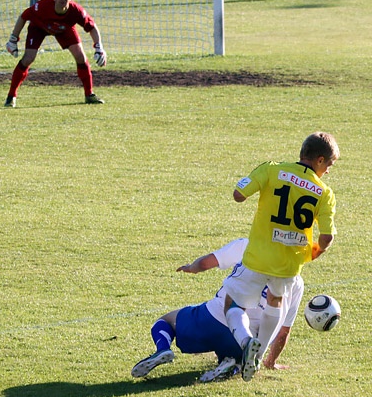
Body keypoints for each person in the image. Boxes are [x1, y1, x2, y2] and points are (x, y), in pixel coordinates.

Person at [223, 132, 339, 383]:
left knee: (232, 303)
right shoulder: (324, 193)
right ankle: (258, 357)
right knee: (275, 302)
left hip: (257, 257)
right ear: (319, 160)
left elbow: (238, 194)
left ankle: (246, 343)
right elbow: (327, 238)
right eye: (329, 165)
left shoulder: (272, 170)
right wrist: (311, 254)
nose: (328, 171)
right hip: (289, 265)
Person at [131, 238, 304, 382]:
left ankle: (163, 349)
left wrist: (192, 267)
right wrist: (271, 361)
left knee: (166, 320)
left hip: (213, 317)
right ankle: (233, 365)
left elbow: (207, 263)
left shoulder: (248, 245)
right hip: (244, 339)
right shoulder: (296, 282)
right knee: (242, 351)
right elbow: (283, 331)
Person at [4, 0, 106, 107]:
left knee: (80, 57)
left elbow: (92, 27)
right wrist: (13, 39)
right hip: (39, 27)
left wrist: (99, 47)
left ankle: (89, 95)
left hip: (64, 29)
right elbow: (23, 16)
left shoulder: (76, 10)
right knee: (28, 58)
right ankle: (11, 97)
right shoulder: (42, 7)